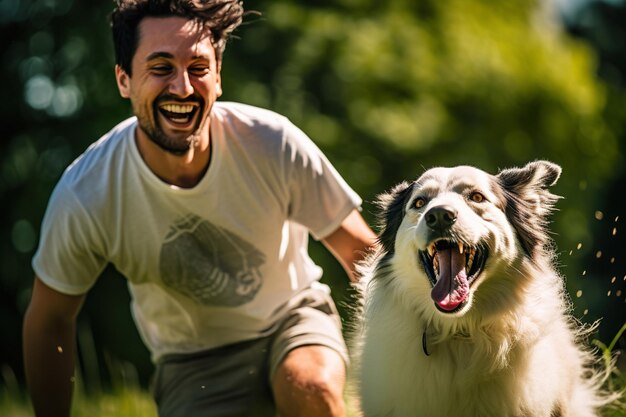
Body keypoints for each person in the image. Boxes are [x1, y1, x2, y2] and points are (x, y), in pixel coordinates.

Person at [22, 1, 377, 416]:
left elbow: (363, 256)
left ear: (219, 77)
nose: (183, 88)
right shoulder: (87, 192)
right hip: (192, 362)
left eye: (197, 67)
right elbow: (49, 322)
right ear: (124, 80)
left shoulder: (272, 144)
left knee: (309, 388)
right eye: (161, 68)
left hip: (292, 322)